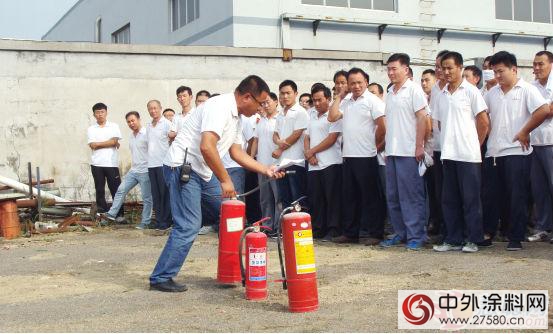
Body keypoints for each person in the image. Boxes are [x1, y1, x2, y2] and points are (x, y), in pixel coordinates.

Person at [151, 75, 284, 292]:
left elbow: (237, 152)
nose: (261, 108)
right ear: (247, 97)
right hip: (182, 168)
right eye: (260, 103)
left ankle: (229, 271)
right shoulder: (219, 106)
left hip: (202, 172)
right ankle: (160, 277)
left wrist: (265, 169)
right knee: (189, 225)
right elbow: (207, 147)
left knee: (229, 214)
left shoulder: (237, 118)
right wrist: (225, 180)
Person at [482, 51, 549, 251]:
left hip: (517, 151)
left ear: (514, 69)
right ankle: (489, 232)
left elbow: (543, 110)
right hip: (494, 151)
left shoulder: (526, 89)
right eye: (494, 72)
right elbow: (483, 116)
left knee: (516, 196)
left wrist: (525, 131)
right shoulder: (492, 93)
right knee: (492, 195)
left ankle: (515, 236)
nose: (498, 76)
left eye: (501, 71)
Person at [431, 51, 489, 253]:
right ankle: (453, 239)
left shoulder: (471, 91)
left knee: (471, 199)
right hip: (448, 154)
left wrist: (475, 144)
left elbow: (483, 122)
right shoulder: (440, 94)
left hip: (468, 155)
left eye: (450, 68)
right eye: (443, 68)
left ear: (460, 68)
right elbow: (438, 122)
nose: (446, 72)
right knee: (449, 199)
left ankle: (473, 238)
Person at [328, 68, 386, 245]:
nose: (356, 86)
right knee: (350, 197)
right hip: (348, 155)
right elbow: (332, 117)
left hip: (366, 156)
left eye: (359, 82)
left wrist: (375, 146)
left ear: (366, 82)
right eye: (352, 83)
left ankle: (375, 233)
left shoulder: (372, 100)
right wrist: (339, 95)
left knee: (370, 197)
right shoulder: (346, 102)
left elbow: (382, 126)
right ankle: (350, 233)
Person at [379, 53, 428, 251]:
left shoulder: (414, 90)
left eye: (394, 68)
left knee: (411, 195)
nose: (390, 72)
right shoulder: (390, 92)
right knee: (393, 195)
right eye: (388, 69)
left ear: (405, 69)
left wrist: (419, 145)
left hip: (409, 151)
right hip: (392, 151)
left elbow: (423, 118)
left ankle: (417, 235)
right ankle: (401, 232)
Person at [99, 111, 153, 229]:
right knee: (121, 190)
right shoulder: (131, 136)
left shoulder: (147, 134)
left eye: (133, 120)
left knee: (147, 198)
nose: (131, 123)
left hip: (145, 171)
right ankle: (111, 215)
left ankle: (145, 222)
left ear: (139, 119)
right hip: (134, 171)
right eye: (128, 122)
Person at [305, 83, 343, 241]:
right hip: (314, 164)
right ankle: (319, 228)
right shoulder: (311, 113)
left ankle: (333, 229)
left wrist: (312, 151)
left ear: (328, 98)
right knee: (316, 198)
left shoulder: (334, 114)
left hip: (331, 162)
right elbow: (306, 137)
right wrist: (309, 154)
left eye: (320, 99)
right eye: (314, 100)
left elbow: (332, 138)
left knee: (332, 197)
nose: (317, 103)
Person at [528, 50, 553, 243]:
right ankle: (544, 227)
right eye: (535, 64)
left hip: (551, 141)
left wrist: (541, 111)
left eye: (541, 64)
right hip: (535, 142)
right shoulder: (532, 87)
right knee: (540, 188)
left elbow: (547, 111)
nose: (536, 68)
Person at [273, 80, 309, 209]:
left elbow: (297, 134)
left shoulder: (300, 112)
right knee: (285, 199)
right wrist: (278, 142)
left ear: (296, 93)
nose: (285, 96)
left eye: (288, 93)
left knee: (297, 199)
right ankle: (287, 228)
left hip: (296, 161)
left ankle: (300, 228)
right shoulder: (280, 113)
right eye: (282, 93)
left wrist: (279, 149)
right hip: (281, 163)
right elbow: (275, 134)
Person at [87, 102, 123, 218]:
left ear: (106, 113)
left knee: (116, 190)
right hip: (96, 164)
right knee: (99, 190)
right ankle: (102, 213)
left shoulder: (114, 126)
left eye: (102, 112)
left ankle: (119, 213)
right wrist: (111, 142)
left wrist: (100, 144)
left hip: (111, 163)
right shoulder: (91, 129)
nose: (100, 114)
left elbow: (114, 141)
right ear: (94, 115)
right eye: (97, 112)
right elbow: (92, 145)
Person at [251, 92, 280, 233]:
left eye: (268, 102)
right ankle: (267, 226)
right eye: (263, 103)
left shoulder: (280, 119)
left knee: (277, 198)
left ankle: (278, 227)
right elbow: (255, 141)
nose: (265, 105)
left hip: (275, 165)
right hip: (261, 165)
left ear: (276, 102)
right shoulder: (260, 121)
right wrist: (251, 159)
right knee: (265, 198)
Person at [427, 51, 449, 239]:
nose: (439, 70)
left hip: (454, 150)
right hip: (437, 147)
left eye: (442, 66)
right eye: (437, 67)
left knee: (451, 191)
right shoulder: (435, 90)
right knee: (438, 191)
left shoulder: (457, 89)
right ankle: (441, 226)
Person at [146, 100, 172, 231]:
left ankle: (166, 221)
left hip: (163, 163)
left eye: (155, 108)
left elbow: (173, 141)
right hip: (151, 164)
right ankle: (159, 220)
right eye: (150, 109)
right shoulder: (149, 125)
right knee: (155, 194)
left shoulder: (167, 124)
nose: (153, 111)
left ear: (160, 108)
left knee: (165, 193)